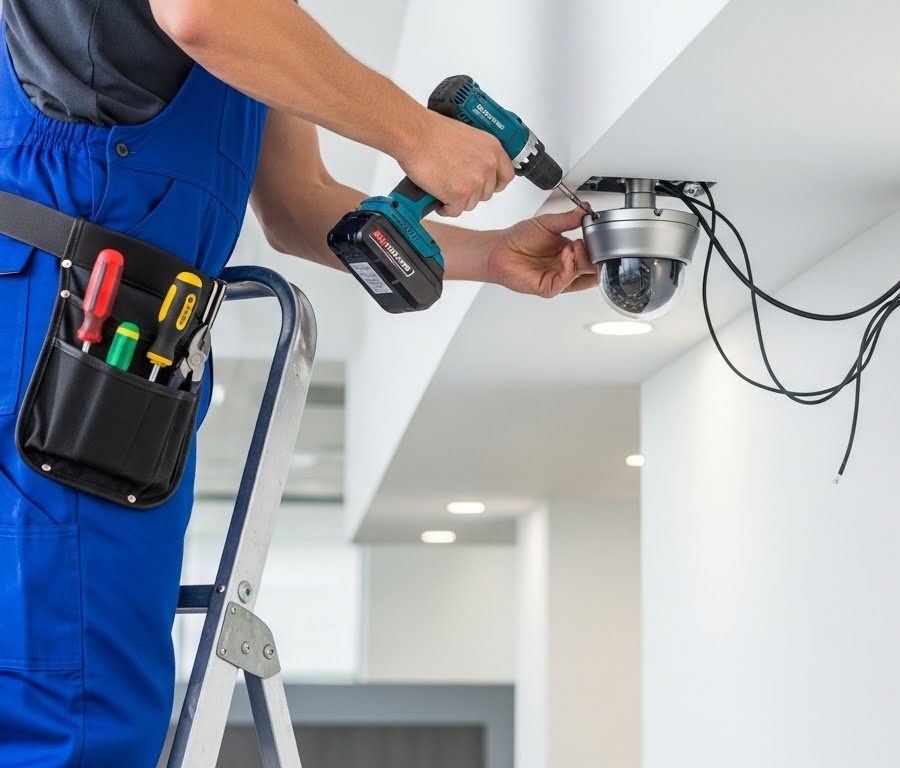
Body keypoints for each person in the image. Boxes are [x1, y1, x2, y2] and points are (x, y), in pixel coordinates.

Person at [0, 1, 596, 764]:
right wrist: (418, 135)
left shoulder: (259, 34)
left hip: (112, 363)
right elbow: (201, 14)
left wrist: (490, 256)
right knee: (74, 722)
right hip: (57, 351)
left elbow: (295, 203)